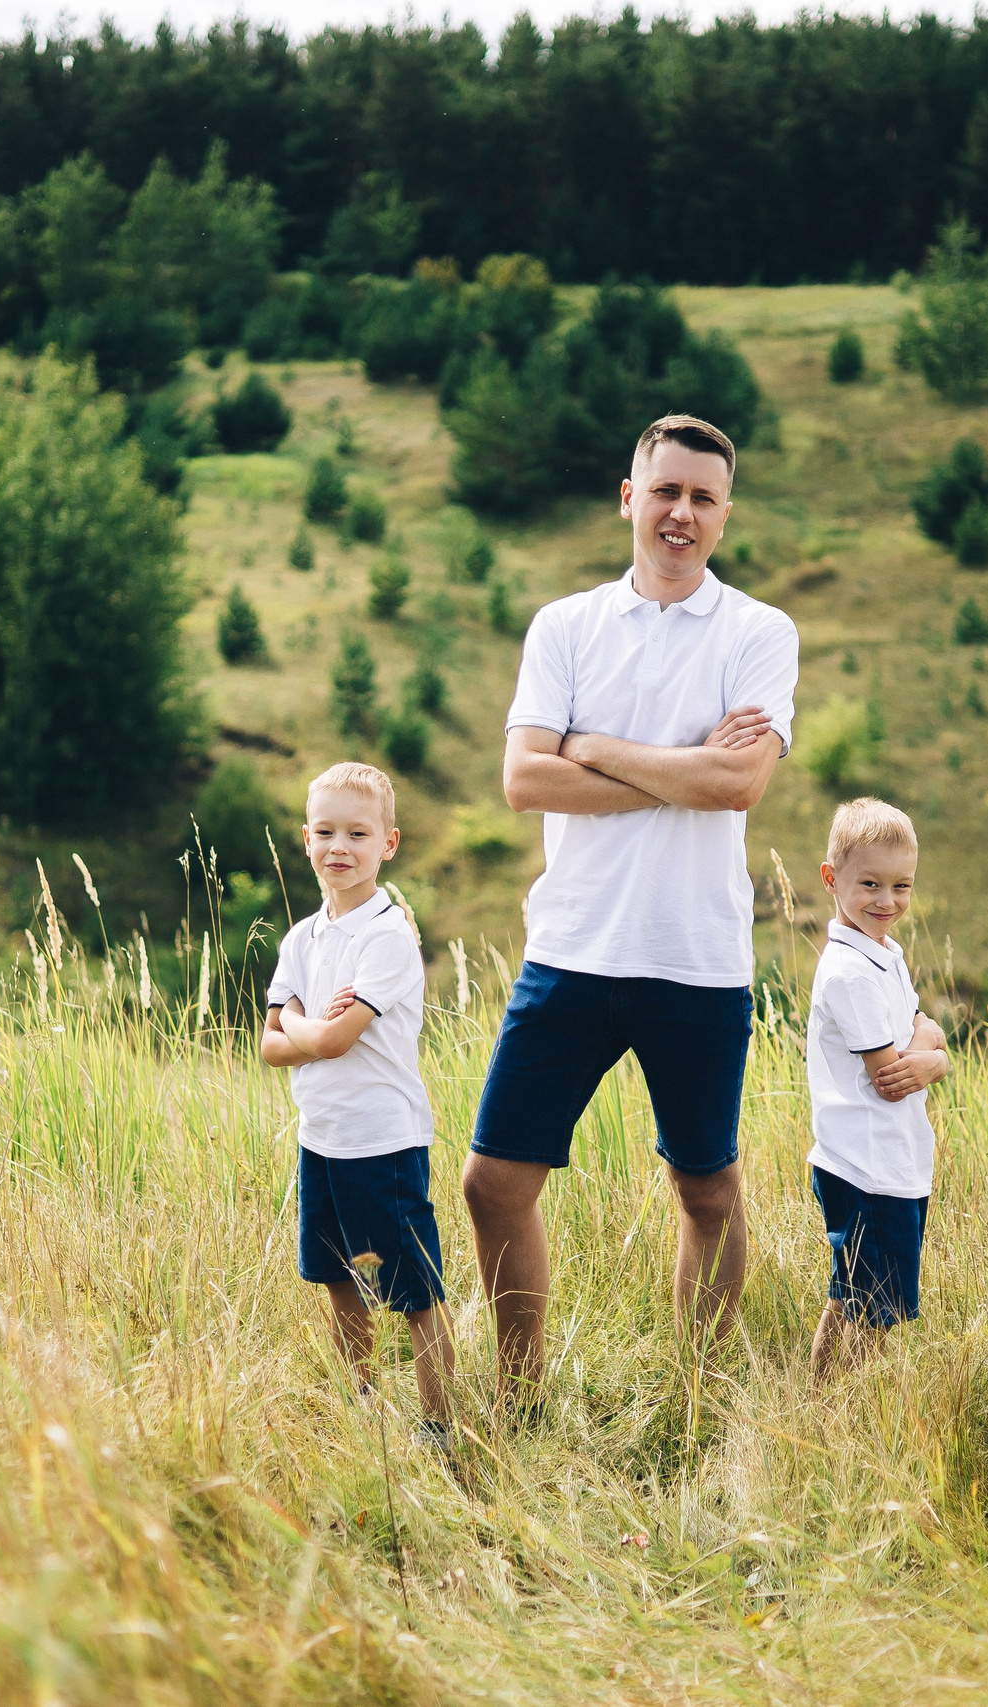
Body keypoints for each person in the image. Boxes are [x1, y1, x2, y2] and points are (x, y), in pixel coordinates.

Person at [465, 413, 798, 1405]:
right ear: (629, 498)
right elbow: (523, 782)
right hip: (571, 945)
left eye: (702, 497)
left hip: (694, 959)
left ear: (724, 516)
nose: (681, 513)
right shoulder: (564, 627)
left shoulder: (758, 632)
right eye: (665, 492)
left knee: (705, 1189)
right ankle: (520, 1393)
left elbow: (740, 785)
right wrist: (682, 766)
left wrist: (592, 746)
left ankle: (694, 1394)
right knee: (492, 1184)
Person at [260, 761, 456, 1442]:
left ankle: (439, 1424)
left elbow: (335, 1038)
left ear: (388, 843)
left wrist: (301, 1024)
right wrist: (306, 1027)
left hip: (383, 1141)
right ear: (305, 839)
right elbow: (269, 1044)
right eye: (325, 831)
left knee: (414, 1290)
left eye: (357, 833)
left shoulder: (388, 937)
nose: (339, 846)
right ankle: (361, 1402)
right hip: (322, 1137)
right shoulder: (301, 937)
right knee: (336, 1275)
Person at [803, 799, 948, 1376]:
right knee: (872, 1311)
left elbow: (923, 1026)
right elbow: (892, 1077)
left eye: (901, 886)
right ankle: (841, 1413)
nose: (887, 901)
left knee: (853, 1296)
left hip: (891, 1159)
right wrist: (936, 1061)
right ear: (831, 879)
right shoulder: (849, 972)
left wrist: (928, 1044)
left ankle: (820, 1405)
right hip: (865, 1165)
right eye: (869, 884)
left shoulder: (886, 955)